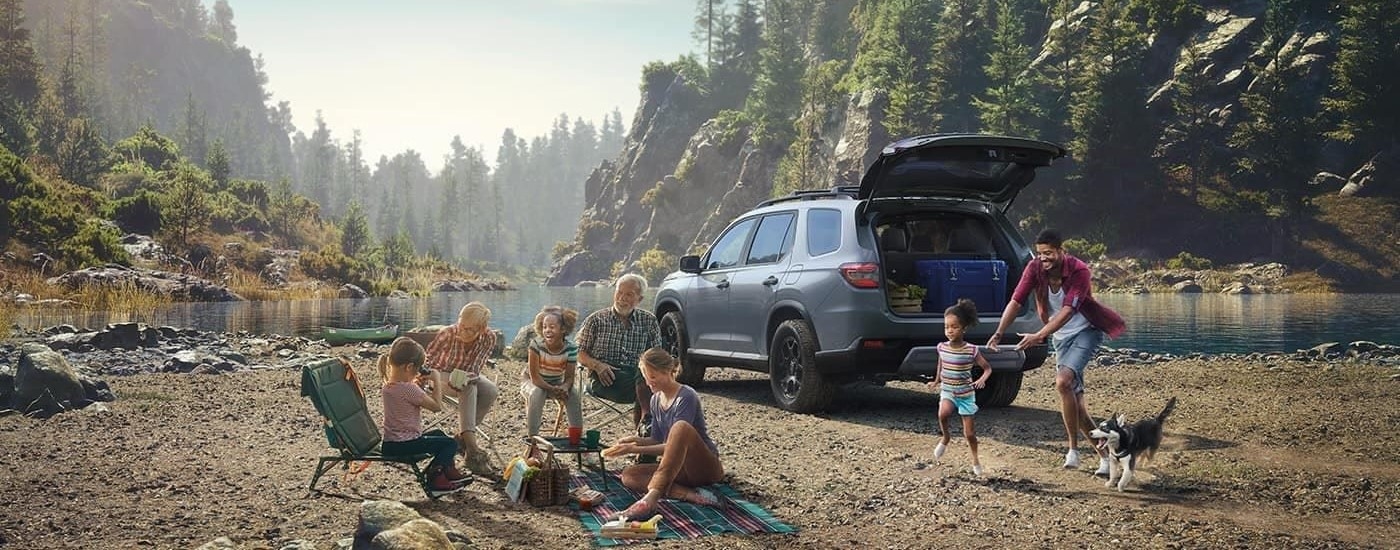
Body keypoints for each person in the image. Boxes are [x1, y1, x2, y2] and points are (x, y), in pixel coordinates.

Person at [987, 229, 1126, 475]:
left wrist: (1039, 336)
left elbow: (1068, 311)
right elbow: (1016, 300)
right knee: (1077, 405)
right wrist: (999, 332)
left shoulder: (1079, 271)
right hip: (1061, 337)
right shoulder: (1034, 268)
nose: (1044, 258)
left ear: (1061, 250)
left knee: (1063, 382)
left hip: (1085, 330)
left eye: (1049, 253)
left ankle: (1072, 450)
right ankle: (1106, 456)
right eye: (1040, 253)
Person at [603, 347, 723, 519]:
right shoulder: (655, 399)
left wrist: (634, 449)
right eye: (645, 377)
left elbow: (672, 444)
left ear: (668, 372)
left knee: (680, 427)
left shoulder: (686, 396)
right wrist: (632, 441)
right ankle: (691, 495)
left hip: (704, 467)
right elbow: (657, 440)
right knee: (630, 474)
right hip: (678, 469)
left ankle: (649, 501)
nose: (649, 382)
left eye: (653, 376)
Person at [377, 336, 470, 497]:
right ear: (409, 367)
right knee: (450, 444)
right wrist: (436, 380)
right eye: (418, 368)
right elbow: (436, 407)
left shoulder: (388, 385)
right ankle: (435, 479)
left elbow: (407, 398)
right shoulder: (409, 389)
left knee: (439, 434)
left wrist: (417, 385)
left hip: (391, 442)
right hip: (405, 444)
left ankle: (448, 471)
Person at [576, 273, 662, 430]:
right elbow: (579, 353)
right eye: (619, 292)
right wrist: (597, 365)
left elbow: (656, 356)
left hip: (638, 378)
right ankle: (647, 423)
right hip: (605, 378)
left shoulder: (649, 321)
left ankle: (646, 428)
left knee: (645, 370)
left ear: (640, 299)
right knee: (649, 388)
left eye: (629, 294)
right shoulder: (596, 319)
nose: (622, 298)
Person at [425, 301, 500, 476]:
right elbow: (427, 365)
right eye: (461, 326)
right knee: (469, 387)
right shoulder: (448, 333)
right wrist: (448, 379)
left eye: (469, 329)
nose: (463, 332)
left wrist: (465, 378)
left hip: (465, 376)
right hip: (439, 376)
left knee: (490, 390)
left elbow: (475, 367)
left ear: (481, 329)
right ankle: (472, 450)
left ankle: (461, 438)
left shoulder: (489, 337)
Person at [929, 298, 994, 476]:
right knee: (943, 413)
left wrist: (982, 378)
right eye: (946, 327)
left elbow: (987, 368)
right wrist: (936, 381)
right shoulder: (941, 347)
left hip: (965, 394)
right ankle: (946, 437)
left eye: (954, 327)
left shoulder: (971, 350)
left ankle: (975, 459)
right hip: (948, 391)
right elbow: (941, 365)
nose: (949, 330)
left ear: (964, 328)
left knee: (969, 434)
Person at [521, 306, 583, 437]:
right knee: (537, 393)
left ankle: (576, 439)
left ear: (563, 329)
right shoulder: (536, 345)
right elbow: (535, 378)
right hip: (533, 382)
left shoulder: (571, 348)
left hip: (556, 382)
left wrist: (565, 387)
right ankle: (533, 441)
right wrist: (552, 389)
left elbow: (570, 377)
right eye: (544, 327)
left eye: (552, 327)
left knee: (574, 394)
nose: (547, 330)